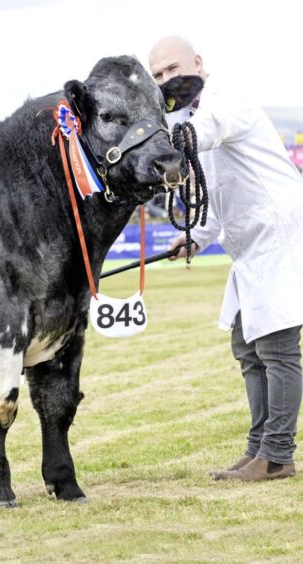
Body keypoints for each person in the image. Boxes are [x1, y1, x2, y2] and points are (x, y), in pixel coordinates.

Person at [149, 35, 303, 481]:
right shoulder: (188, 116)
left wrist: (171, 138)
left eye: (173, 70)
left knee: (277, 349)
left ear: (197, 62)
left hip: (279, 236)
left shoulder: (224, 100)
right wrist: (194, 238)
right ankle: (259, 447)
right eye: (158, 75)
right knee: (247, 349)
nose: (167, 81)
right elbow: (215, 200)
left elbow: (211, 127)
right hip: (250, 248)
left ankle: (277, 455)